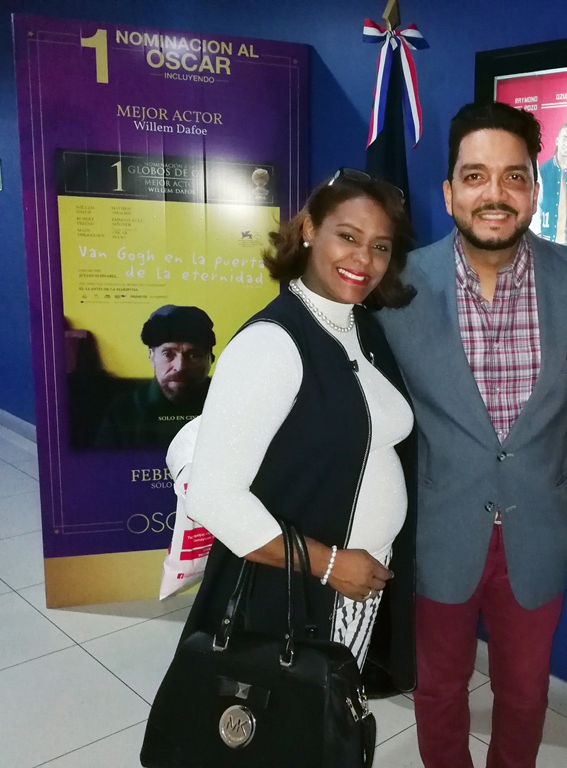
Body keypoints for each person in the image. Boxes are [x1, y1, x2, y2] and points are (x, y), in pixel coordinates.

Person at [376, 101, 567, 768]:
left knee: (526, 692)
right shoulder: (396, 287)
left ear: (534, 189)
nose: (495, 194)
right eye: (475, 176)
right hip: (439, 525)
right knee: (438, 687)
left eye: (513, 176)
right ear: (449, 191)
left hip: (541, 525)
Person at [179, 170, 418, 694]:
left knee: (328, 715)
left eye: (380, 246)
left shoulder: (359, 326)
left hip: (354, 585)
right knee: (289, 721)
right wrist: (330, 565)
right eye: (348, 236)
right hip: (298, 588)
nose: (363, 259)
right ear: (310, 229)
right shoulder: (272, 343)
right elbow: (214, 497)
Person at [95, 305, 214, 448]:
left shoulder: (230, 405)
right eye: (168, 354)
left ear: (210, 359)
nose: (180, 367)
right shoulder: (122, 413)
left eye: (194, 355)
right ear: (152, 357)